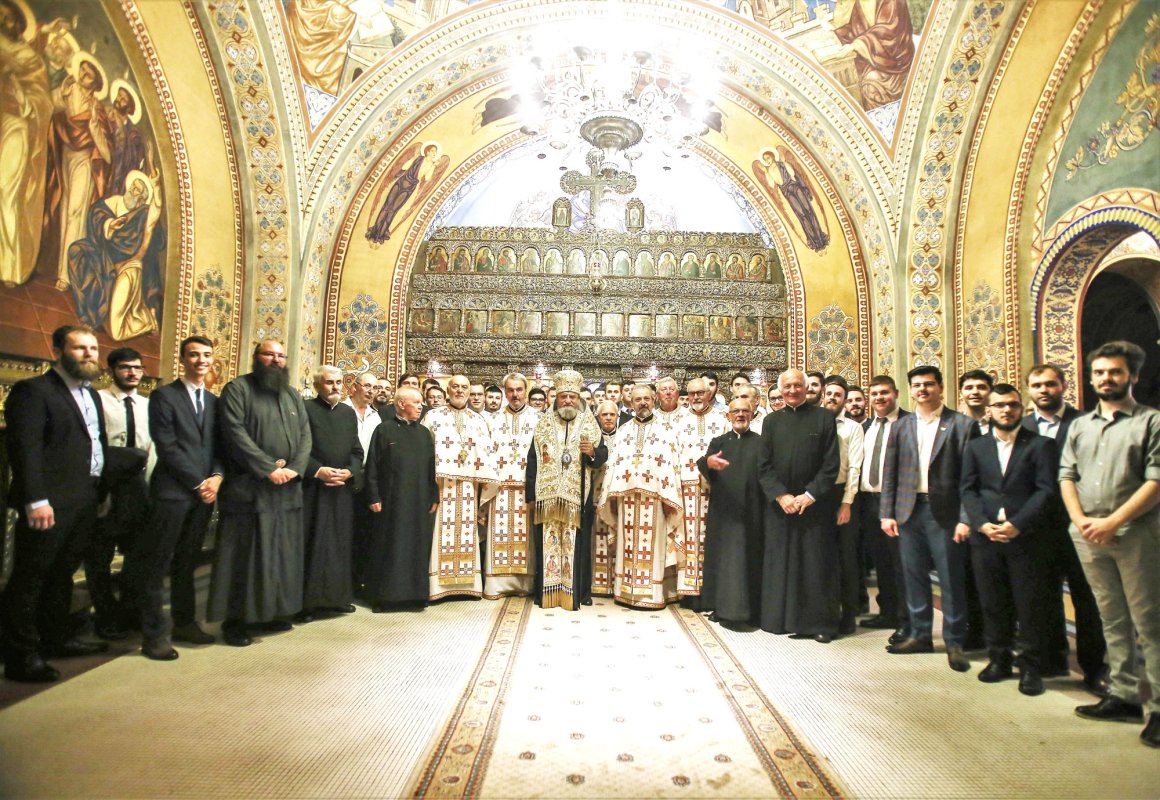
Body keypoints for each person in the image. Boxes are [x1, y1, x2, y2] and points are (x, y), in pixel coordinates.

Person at [1061, 341, 1160, 748]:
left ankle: (1156, 708)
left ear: (1132, 376)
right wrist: (1082, 521)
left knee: (1149, 622)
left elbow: (1156, 481)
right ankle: (1122, 694)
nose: (1106, 378)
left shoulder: (1151, 422)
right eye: (1099, 372)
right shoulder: (1080, 426)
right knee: (1111, 616)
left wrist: (1114, 521)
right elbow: (1067, 475)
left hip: (1135, 533)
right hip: (1087, 534)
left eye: (1114, 372)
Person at [2, 325, 109, 681]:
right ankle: (20, 655)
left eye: (93, 348)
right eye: (80, 348)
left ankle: (55, 638)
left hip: (82, 499)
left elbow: (95, 446)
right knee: (31, 578)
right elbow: (25, 451)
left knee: (61, 575)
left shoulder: (91, 395)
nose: (89, 354)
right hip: (48, 503)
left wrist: (101, 493)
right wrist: (35, 500)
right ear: (58, 351)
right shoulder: (33, 391)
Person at [209, 340, 311, 647]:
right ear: (256, 358)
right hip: (249, 489)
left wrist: (295, 468)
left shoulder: (292, 394)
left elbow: (306, 436)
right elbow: (234, 433)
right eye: (270, 354)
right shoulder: (237, 390)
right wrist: (267, 467)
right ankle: (236, 621)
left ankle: (272, 613)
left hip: (286, 491)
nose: (276, 360)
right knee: (243, 558)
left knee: (280, 555)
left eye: (281, 355)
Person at [880, 365, 978, 671]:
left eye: (929, 384)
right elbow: (890, 473)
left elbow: (969, 478)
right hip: (909, 511)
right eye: (917, 385)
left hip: (945, 514)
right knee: (914, 577)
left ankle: (954, 641)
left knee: (951, 578)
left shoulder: (961, 425)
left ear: (940, 387)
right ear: (911, 390)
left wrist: (966, 517)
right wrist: (887, 513)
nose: (923, 389)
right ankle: (920, 634)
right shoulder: (901, 426)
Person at [960, 384, 1056, 696]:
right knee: (992, 602)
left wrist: (1017, 524)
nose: (1006, 410)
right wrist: (982, 524)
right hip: (986, 537)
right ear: (989, 410)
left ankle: (1030, 668)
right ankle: (998, 659)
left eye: (1012, 405)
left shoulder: (1040, 446)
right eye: (999, 405)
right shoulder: (977, 447)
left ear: (1021, 408)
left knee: (1029, 605)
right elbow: (968, 490)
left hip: (1025, 537)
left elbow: (1045, 490)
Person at [133, 335, 220, 661]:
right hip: (171, 494)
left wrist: (217, 478)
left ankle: (185, 623)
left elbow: (219, 448)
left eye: (206, 355)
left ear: (213, 359)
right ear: (183, 359)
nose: (201, 361)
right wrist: (199, 482)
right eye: (194, 355)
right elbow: (167, 446)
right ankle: (154, 635)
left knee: (188, 562)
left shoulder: (213, 401)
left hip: (203, 496)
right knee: (158, 565)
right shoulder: (163, 396)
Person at [1021, 363, 1108, 692]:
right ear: (1029, 389)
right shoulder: (1022, 425)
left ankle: (1094, 668)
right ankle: (1048, 659)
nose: (1044, 390)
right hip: (1035, 528)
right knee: (1039, 597)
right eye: (1037, 385)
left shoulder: (1085, 424)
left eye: (1050, 384)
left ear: (1063, 386)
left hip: (1077, 524)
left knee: (1086, 600)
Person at [758, 369, 841, 642]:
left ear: (807, 389)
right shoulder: (770, 422)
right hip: (780, 507)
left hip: (814, 507)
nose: (792, 390)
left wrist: (809, 495)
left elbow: (831, 466)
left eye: (797, 386)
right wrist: (781, 496)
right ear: (780, 390)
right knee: (780, 563)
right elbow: (764, 467)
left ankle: (818, 624)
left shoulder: (825, 418)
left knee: (814, 566)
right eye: (787, 386)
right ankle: (779, 620)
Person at [86, 346, 155, 640]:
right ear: (112, 370)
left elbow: (153, 446)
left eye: (137, 368)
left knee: (139, 552)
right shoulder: (97, 400)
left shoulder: (148, 404)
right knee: (99, 554)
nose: (132, 373)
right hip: (106, 485)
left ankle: (130, 610)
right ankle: (105, 613)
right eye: (126, 367)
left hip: (138, 487)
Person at [599, 385, 685, 608]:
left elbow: (671, 465)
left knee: (653, 546)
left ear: (654, 399)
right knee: (626, 545)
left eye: (647, 398)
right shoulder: (624, 431)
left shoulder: (666, 430)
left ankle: (653, 595)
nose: (643, 403)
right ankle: (625, 592)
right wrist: (612, 497)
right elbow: (614, 464)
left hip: (655, 500)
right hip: (626, 499)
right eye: (638, 400)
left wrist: (669, 499)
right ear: (632, 403)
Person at [525, 370, 606, 609]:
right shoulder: (543, 425)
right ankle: (546, 593)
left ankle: (579, 593)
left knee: (578, 546)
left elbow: (602, 456)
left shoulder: (589, 423)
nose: (568, 401)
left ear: (578, 398)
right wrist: (531, 495)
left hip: (578, 496)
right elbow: (533, 459)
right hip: (547, 497)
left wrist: (591, 452)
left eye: (572, 396)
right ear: (556, 399)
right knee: (546, 545)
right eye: (563, 397)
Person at [422, 374, 499, 599]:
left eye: (464, 387)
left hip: (468, 489)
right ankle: (438, 587)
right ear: (448, 389)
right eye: (455, 386)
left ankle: (469, 585)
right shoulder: (433, 417)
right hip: (441, 487)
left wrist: (487, 485)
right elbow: (424, 454)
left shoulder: (478, 421)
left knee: (467, 532)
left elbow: (486, 455)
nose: (460, 391)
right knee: (439, 534)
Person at [297, 366, 363, 623]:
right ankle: (307, 604)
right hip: (314, 489)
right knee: (312, 543)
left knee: (340, 544)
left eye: (338, 382)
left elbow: (357, 451)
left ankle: (338, 599)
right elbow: (299, 448)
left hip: (342, 491)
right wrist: (317, 470)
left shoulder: (348, 413)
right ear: (317, 386)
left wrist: (350, 472)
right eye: (329, 383)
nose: (335, 387)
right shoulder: (305, 409)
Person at [363, 387, 439, 610]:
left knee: (416, 546)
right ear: (400, 405)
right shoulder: (383, 430)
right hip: (391, 501)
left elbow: (431, 469)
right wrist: (373, 496)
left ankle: (415, 596)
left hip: (418, 502)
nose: (419, 406)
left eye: (420, 402)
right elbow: (373, 466)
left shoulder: (424, 434)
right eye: (415, 402)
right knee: (390, 547)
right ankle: (385, 598)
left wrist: (434, 494)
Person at [698, 399, 765, 628]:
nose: (740, 415)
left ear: (752, 415)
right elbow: (703, 463)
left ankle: (752, 611)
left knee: (750, 560)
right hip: (723, 512)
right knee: (722, 560)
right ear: (728, 415)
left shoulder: (761, 442)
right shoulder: (719, 442)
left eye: (745, 411)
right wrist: (708, 462)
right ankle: (720, 607)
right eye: (735, 411)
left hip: (753, 512)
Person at [858, 375, 910, 641]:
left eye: (884, 393)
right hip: (870, 502)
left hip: (899, 503)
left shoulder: (909, 423)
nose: (879, 397)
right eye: (875, 393)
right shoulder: (866, 426)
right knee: (881, 562)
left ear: (896, 393)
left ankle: (906, 618)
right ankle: (887, 611)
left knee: (902, 563)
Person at [672, 377, 729, 606]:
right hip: (685, 490)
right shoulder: (679, 421)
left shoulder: (722, 421)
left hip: (713, 490)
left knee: (710, 539)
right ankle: (688, 591)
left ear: (709, 394)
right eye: (692, 393)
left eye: (700, 393)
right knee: (687, 539)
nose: (696, 397)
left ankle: (710, 590)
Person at [484, 373, 539, 599]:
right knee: (499, 534)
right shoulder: (491, 420)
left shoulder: (539, 419)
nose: (515, 394)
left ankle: (525, 585)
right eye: (510, 390)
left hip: (526, 489)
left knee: (526, 539)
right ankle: (497, 585)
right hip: (500, 489)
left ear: (526, 391)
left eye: (519, 390)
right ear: (505, 392)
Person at [822, 376, 864, 635]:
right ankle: (824, 613)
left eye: (838, 394)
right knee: (822, 558)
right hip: (817, 497)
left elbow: (855, 467)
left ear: (844, 399)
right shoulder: (814, 423)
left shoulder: (851, 428)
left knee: (846, 557)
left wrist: (847, 503)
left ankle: (848, 615)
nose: (832, 398)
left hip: (842, 495)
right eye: (830, 393)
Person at [344, 372, 381, 591]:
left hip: (367, 479)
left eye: (374, 388)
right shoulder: (342, 411)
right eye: (367, 386)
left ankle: (359, 581)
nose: (371, 391)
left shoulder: (376, 416)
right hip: (346, 476)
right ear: (354, 387)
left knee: (363, 532)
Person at [591, 400, 621, 595]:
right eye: (604, 415)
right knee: (596, 539)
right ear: (598, 417)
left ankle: (615, 582)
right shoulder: (592, 437)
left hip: (616, 497)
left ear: (618, 417)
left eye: (612, 415)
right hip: (595, 494)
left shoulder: (625, 437)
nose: (608, 418)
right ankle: (597, 584)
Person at [959, 370, 994, 435]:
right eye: (969, 388)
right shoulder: (953, 425)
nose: (975, 392)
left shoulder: (1001, 424)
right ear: (961, 394)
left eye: (981, 388)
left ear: (991, 393)